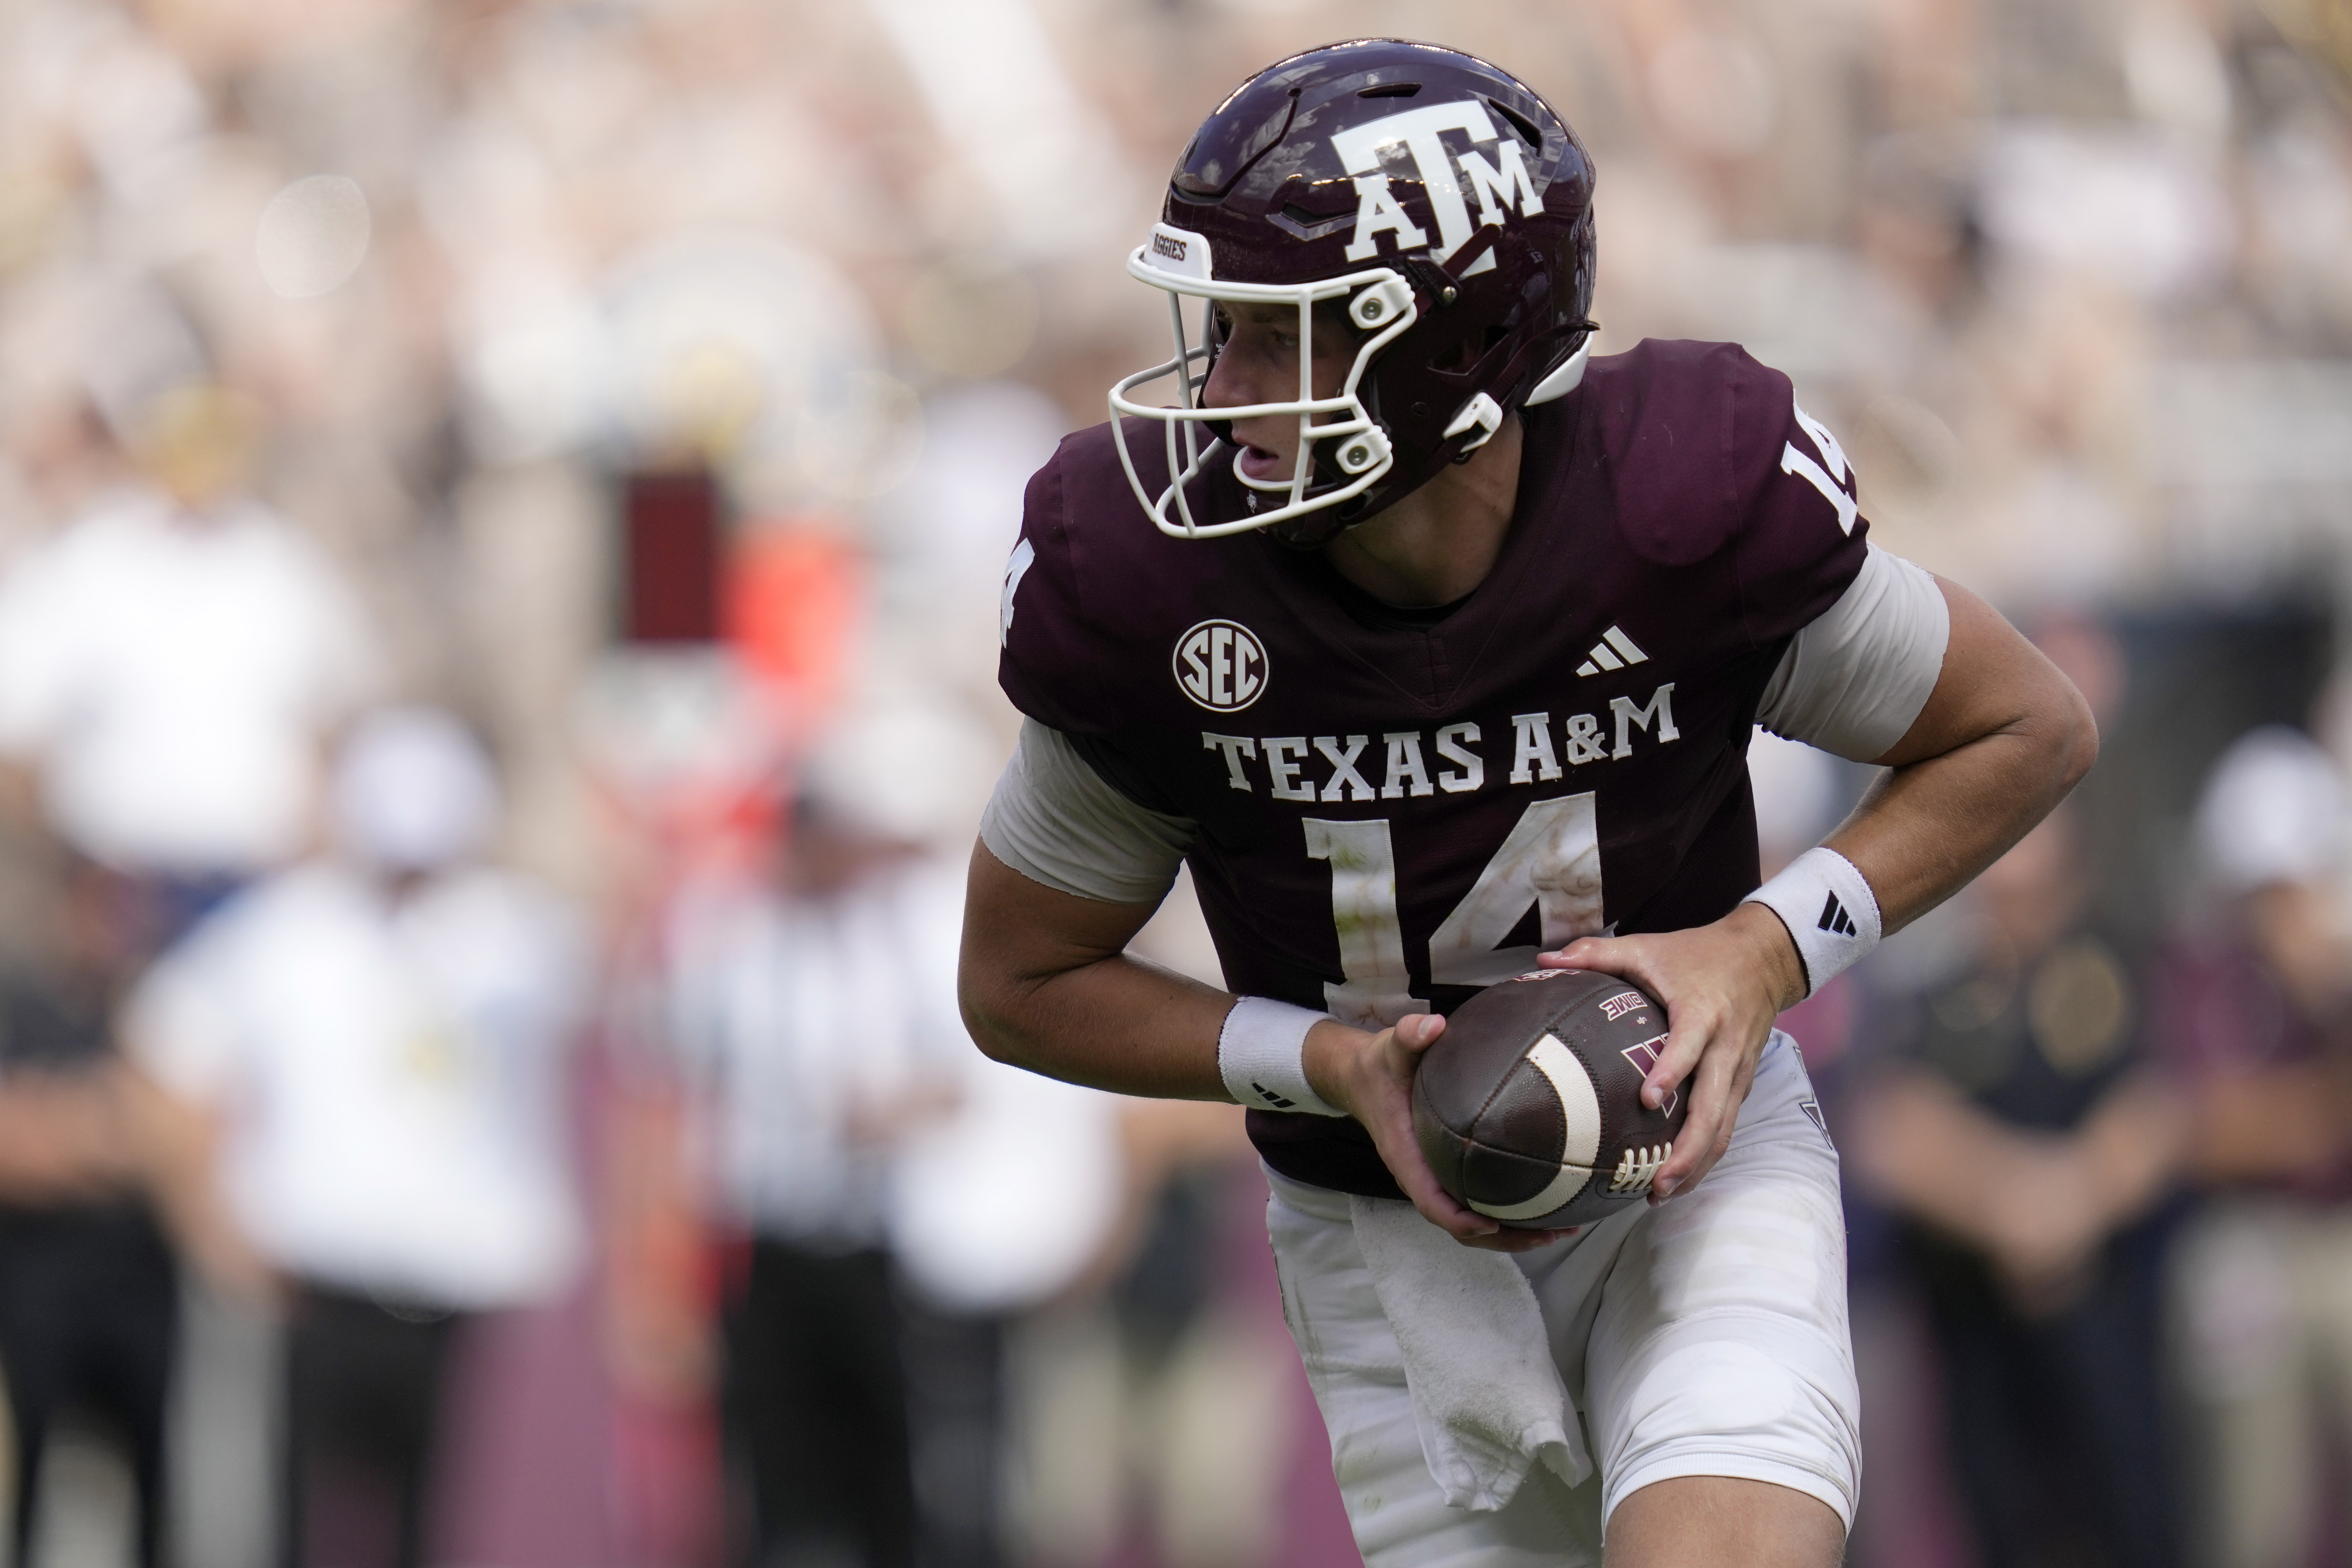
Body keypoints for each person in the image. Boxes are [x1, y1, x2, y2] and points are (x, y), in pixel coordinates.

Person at [958, 40, 2096, 1567]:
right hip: (1385, 1234)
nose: (1213, 391)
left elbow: (2023, 723)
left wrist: (1762, 948)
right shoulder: (1156, 590)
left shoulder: (1671, 503)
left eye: (1269, 338)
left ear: (1441, 351)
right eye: (1216, 328)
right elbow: (1017, 980)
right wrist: (1328, 1059)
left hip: (1688, 1164)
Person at [126, 706, 586, 1568]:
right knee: (296, 1514)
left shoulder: (523, 935)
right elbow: (169, 1050)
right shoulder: (290, 929)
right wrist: (211, 1221)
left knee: (446, 1517)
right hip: (319, 1282)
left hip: (461, 1283)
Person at [1848, 808, 2184, 1568]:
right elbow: (1892, 1129)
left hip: (2110, 1314)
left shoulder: (2120, 967)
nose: (2014, 897)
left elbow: (2162, 1107)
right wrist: (2014, 1208)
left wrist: (2066, 1202)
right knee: (2002, 1524)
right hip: (1978, 1322)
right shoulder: (1940, 995)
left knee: (2134, 1513)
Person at [2155, 725, 2352, 1568]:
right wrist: (2311, 1113)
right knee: (2256, 1513)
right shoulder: (2201, 966)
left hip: (2334, 1233)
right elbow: (2209, 1133)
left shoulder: (2333, 973)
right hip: (2244, 1243)